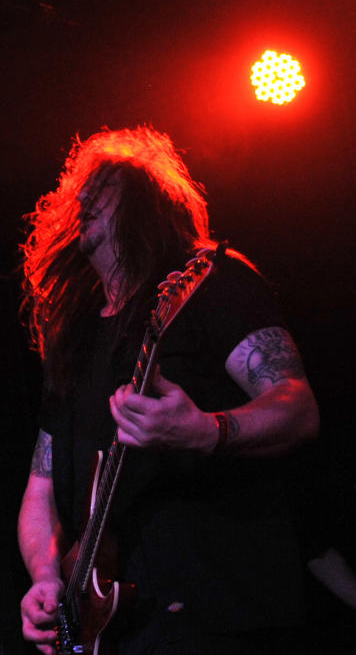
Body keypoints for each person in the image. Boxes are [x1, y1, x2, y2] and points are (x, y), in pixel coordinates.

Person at [18, 126, 320, 654]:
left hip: (220, 604)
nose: (82, 198)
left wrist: (208, 431)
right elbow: (40, 491)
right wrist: (46, 577)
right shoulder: (74, 339)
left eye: (102, 186)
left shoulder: (207, 283)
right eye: (78, 192)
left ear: (145, 201)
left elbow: (296, 407)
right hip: (115, 633)